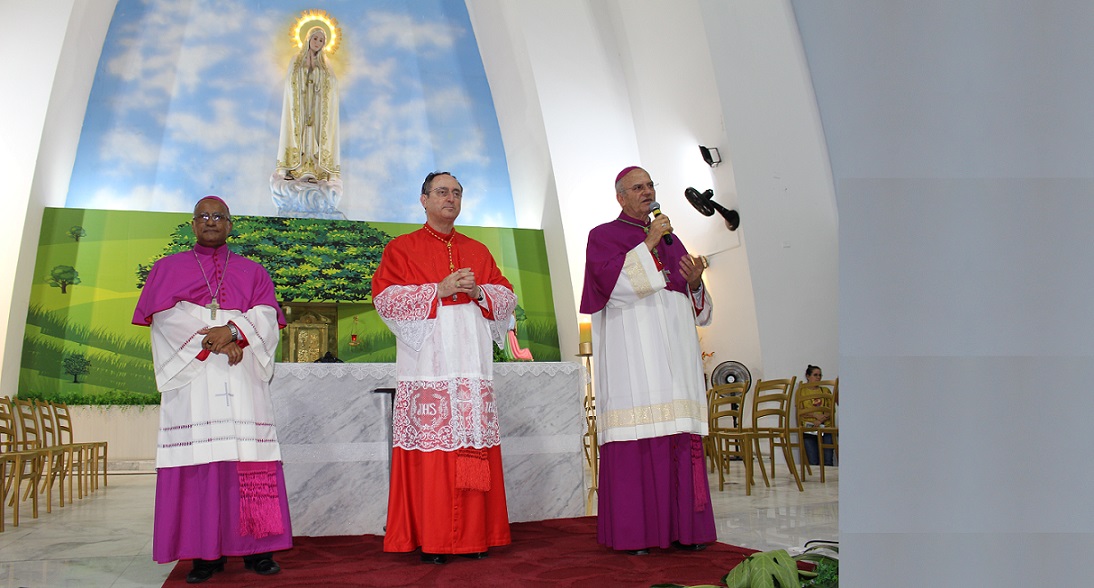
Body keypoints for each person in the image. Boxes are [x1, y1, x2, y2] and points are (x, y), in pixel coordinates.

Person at [133, 196, 291, 583]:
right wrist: (215, 340)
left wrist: (235, 331)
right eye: (203, 216)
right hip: (194, 381)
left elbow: (268, 315)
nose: (211, 222)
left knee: (249, 460)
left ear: (230, 224)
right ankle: (204, 556)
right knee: (200, 462)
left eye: (219, 216)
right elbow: (163, 320)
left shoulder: (253, 272)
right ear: (192, 223)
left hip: (242, 381)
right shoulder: (167, 269)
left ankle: (258, 550)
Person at [372, 171, 518, 564]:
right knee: (433, 457)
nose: (449, 198)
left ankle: (473, 537)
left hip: (470, 368)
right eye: (441, 192)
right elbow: (386, 299)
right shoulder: (401, 249)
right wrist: (440, 289)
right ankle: (433, 538)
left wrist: (480, 291)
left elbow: (506, 296)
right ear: (423, 200)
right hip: (429, 370)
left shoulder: (479, 249)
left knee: (471, 448)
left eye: (456, 192)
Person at [580, 166, 716, 554]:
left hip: (675, 353)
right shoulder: (603, 235)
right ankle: (636, 532)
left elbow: (690, 301)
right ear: (620, 197)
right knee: (636, 435)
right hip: (633, 354)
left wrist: (694, 282)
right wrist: (649, 243)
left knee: (677, 431)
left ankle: (686, 529)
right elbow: (610, 284)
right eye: (637, 187)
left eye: (650, 185)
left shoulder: (672, 241)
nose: (646, 191)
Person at [275, 26, 341, 183]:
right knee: (300, 133)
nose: (317, 42)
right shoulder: (297, 60)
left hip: (317, 107)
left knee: (315, 134)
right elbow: (290, 82)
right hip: (301, 106)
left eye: (321, 40)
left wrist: (319, 75)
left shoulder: (325, 63)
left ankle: (316, 171)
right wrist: (304, 73)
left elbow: (332, 83)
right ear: (308, 39)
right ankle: (295, 168)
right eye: (315, 38)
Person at [799, 365, 835, 467]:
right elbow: (800, 410)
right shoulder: (801, 391)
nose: (818, 377)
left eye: (820, 375)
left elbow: (831, 409)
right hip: (809, 428)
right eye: (815, 375)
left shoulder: (825, 390)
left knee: (828, 460)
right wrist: (815, 415)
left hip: (825, 427)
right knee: (813, 461)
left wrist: (821, 419)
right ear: (808, 376)